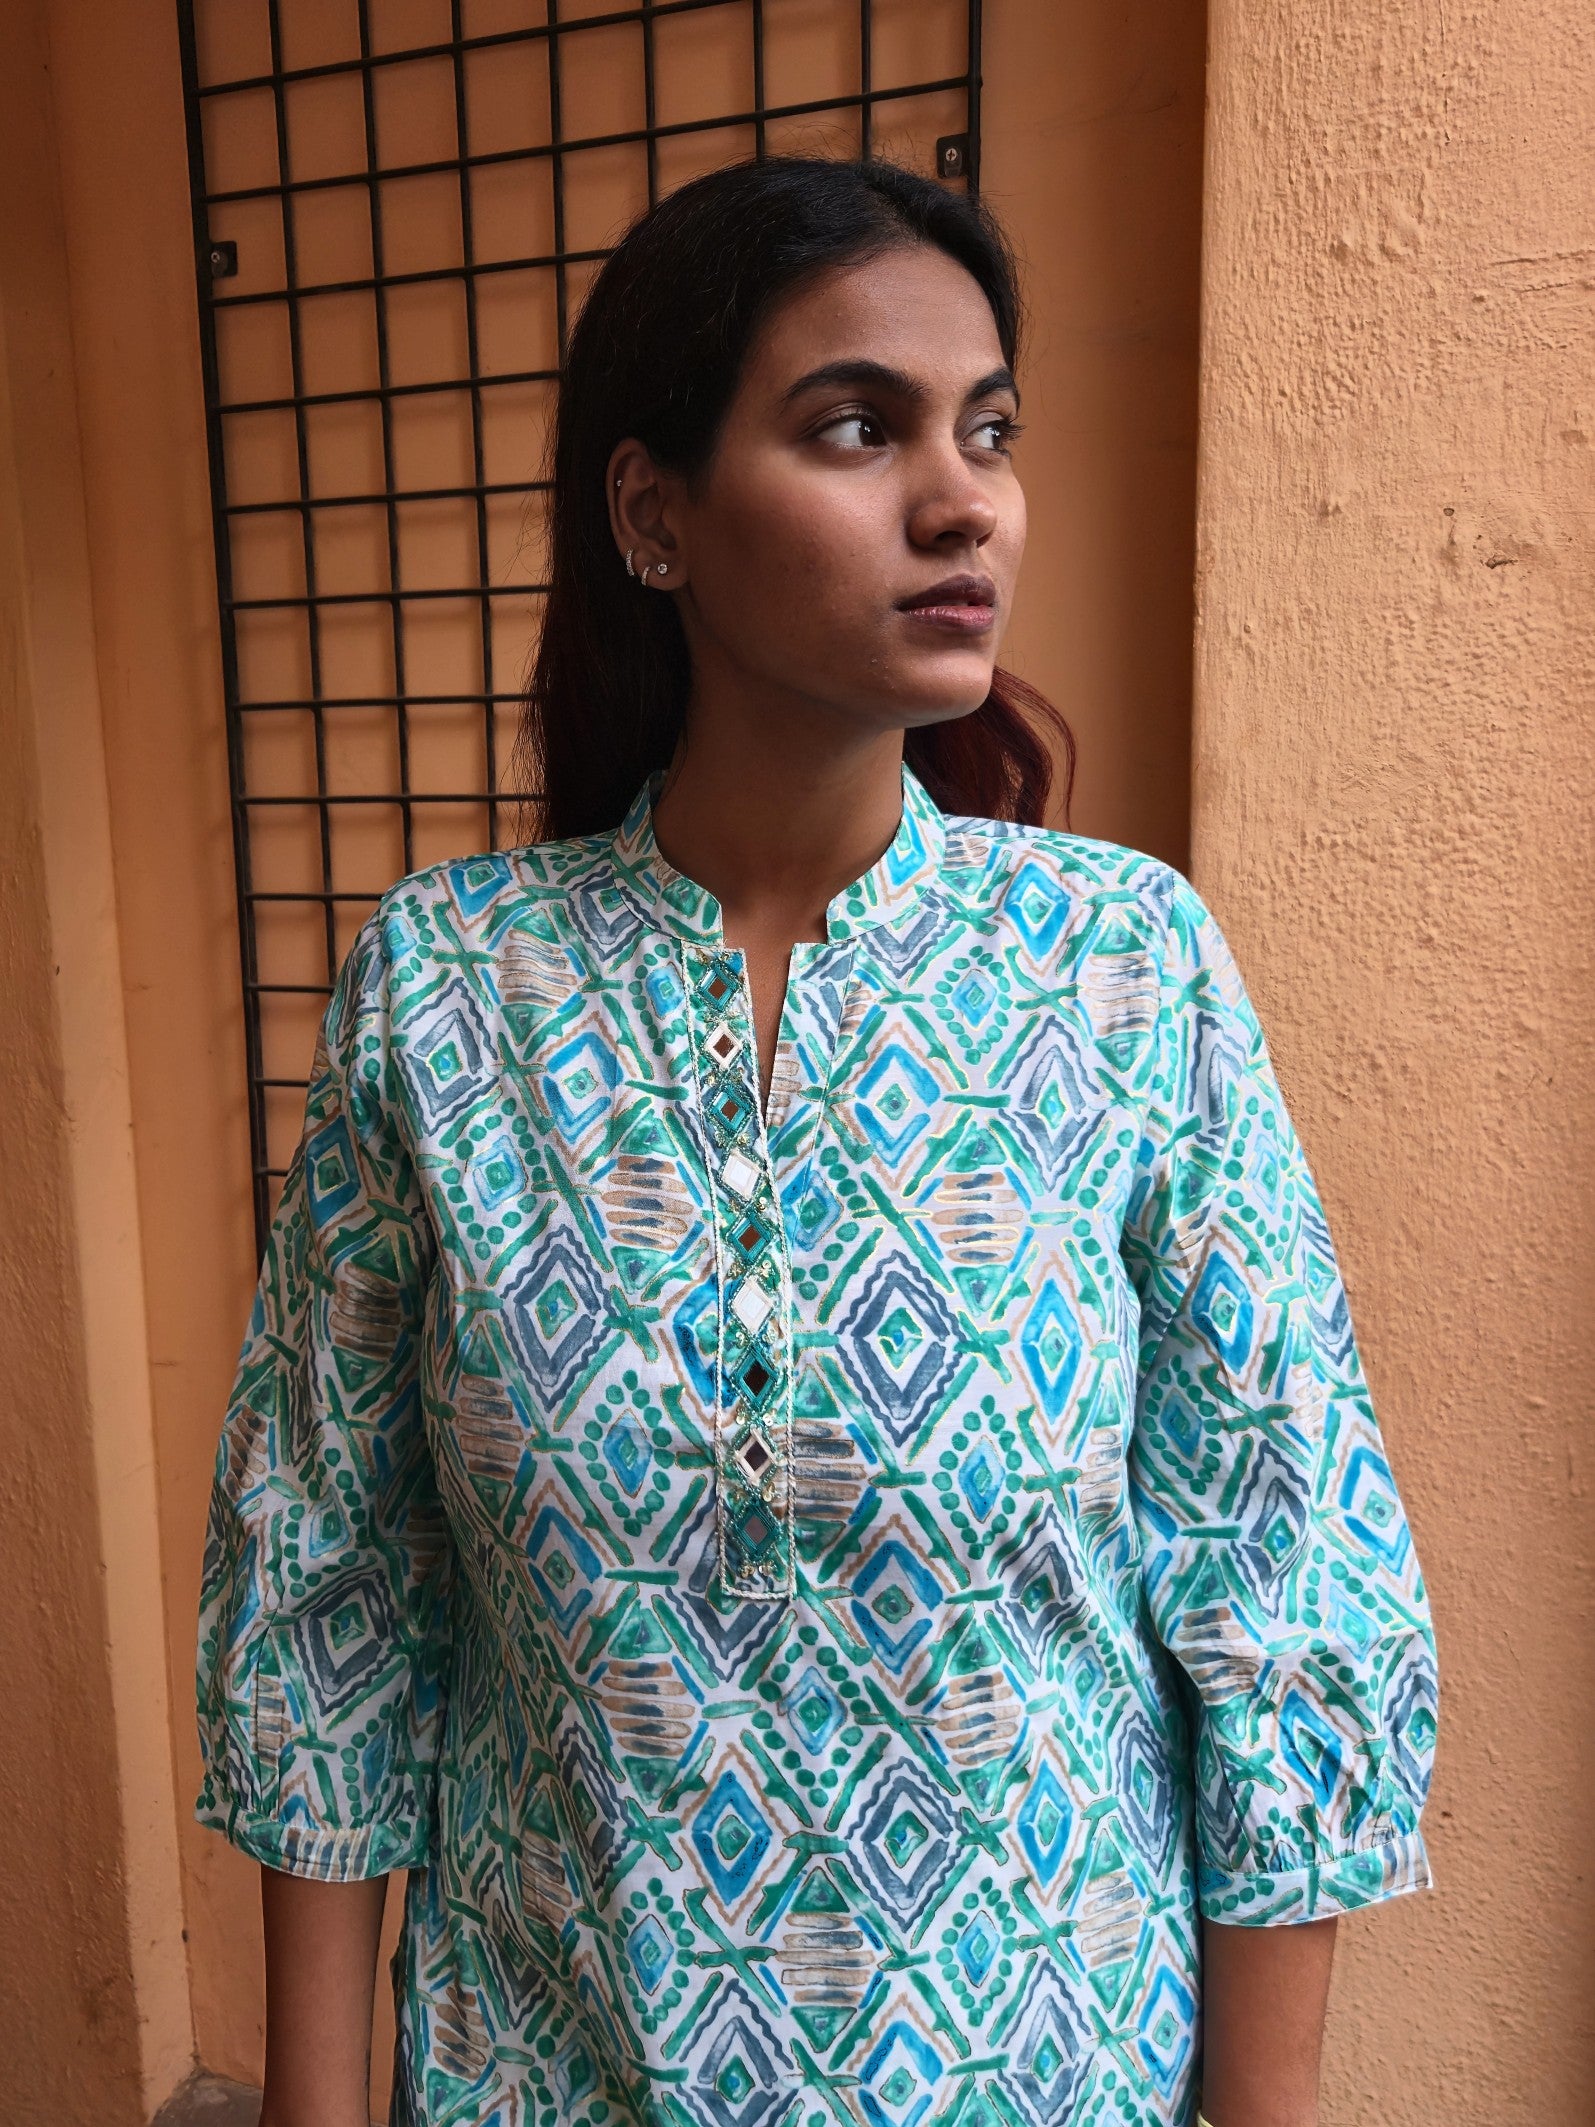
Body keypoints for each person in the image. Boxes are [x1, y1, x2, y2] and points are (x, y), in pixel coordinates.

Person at [195, 156, 1438, 2127]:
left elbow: (1283, 1581)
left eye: (989, 431)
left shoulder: (1125, 974)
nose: (964, 501)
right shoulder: (444, 995)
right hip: (550, 2073)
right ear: (653, 516)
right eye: (859, 426)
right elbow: (330, 1584)